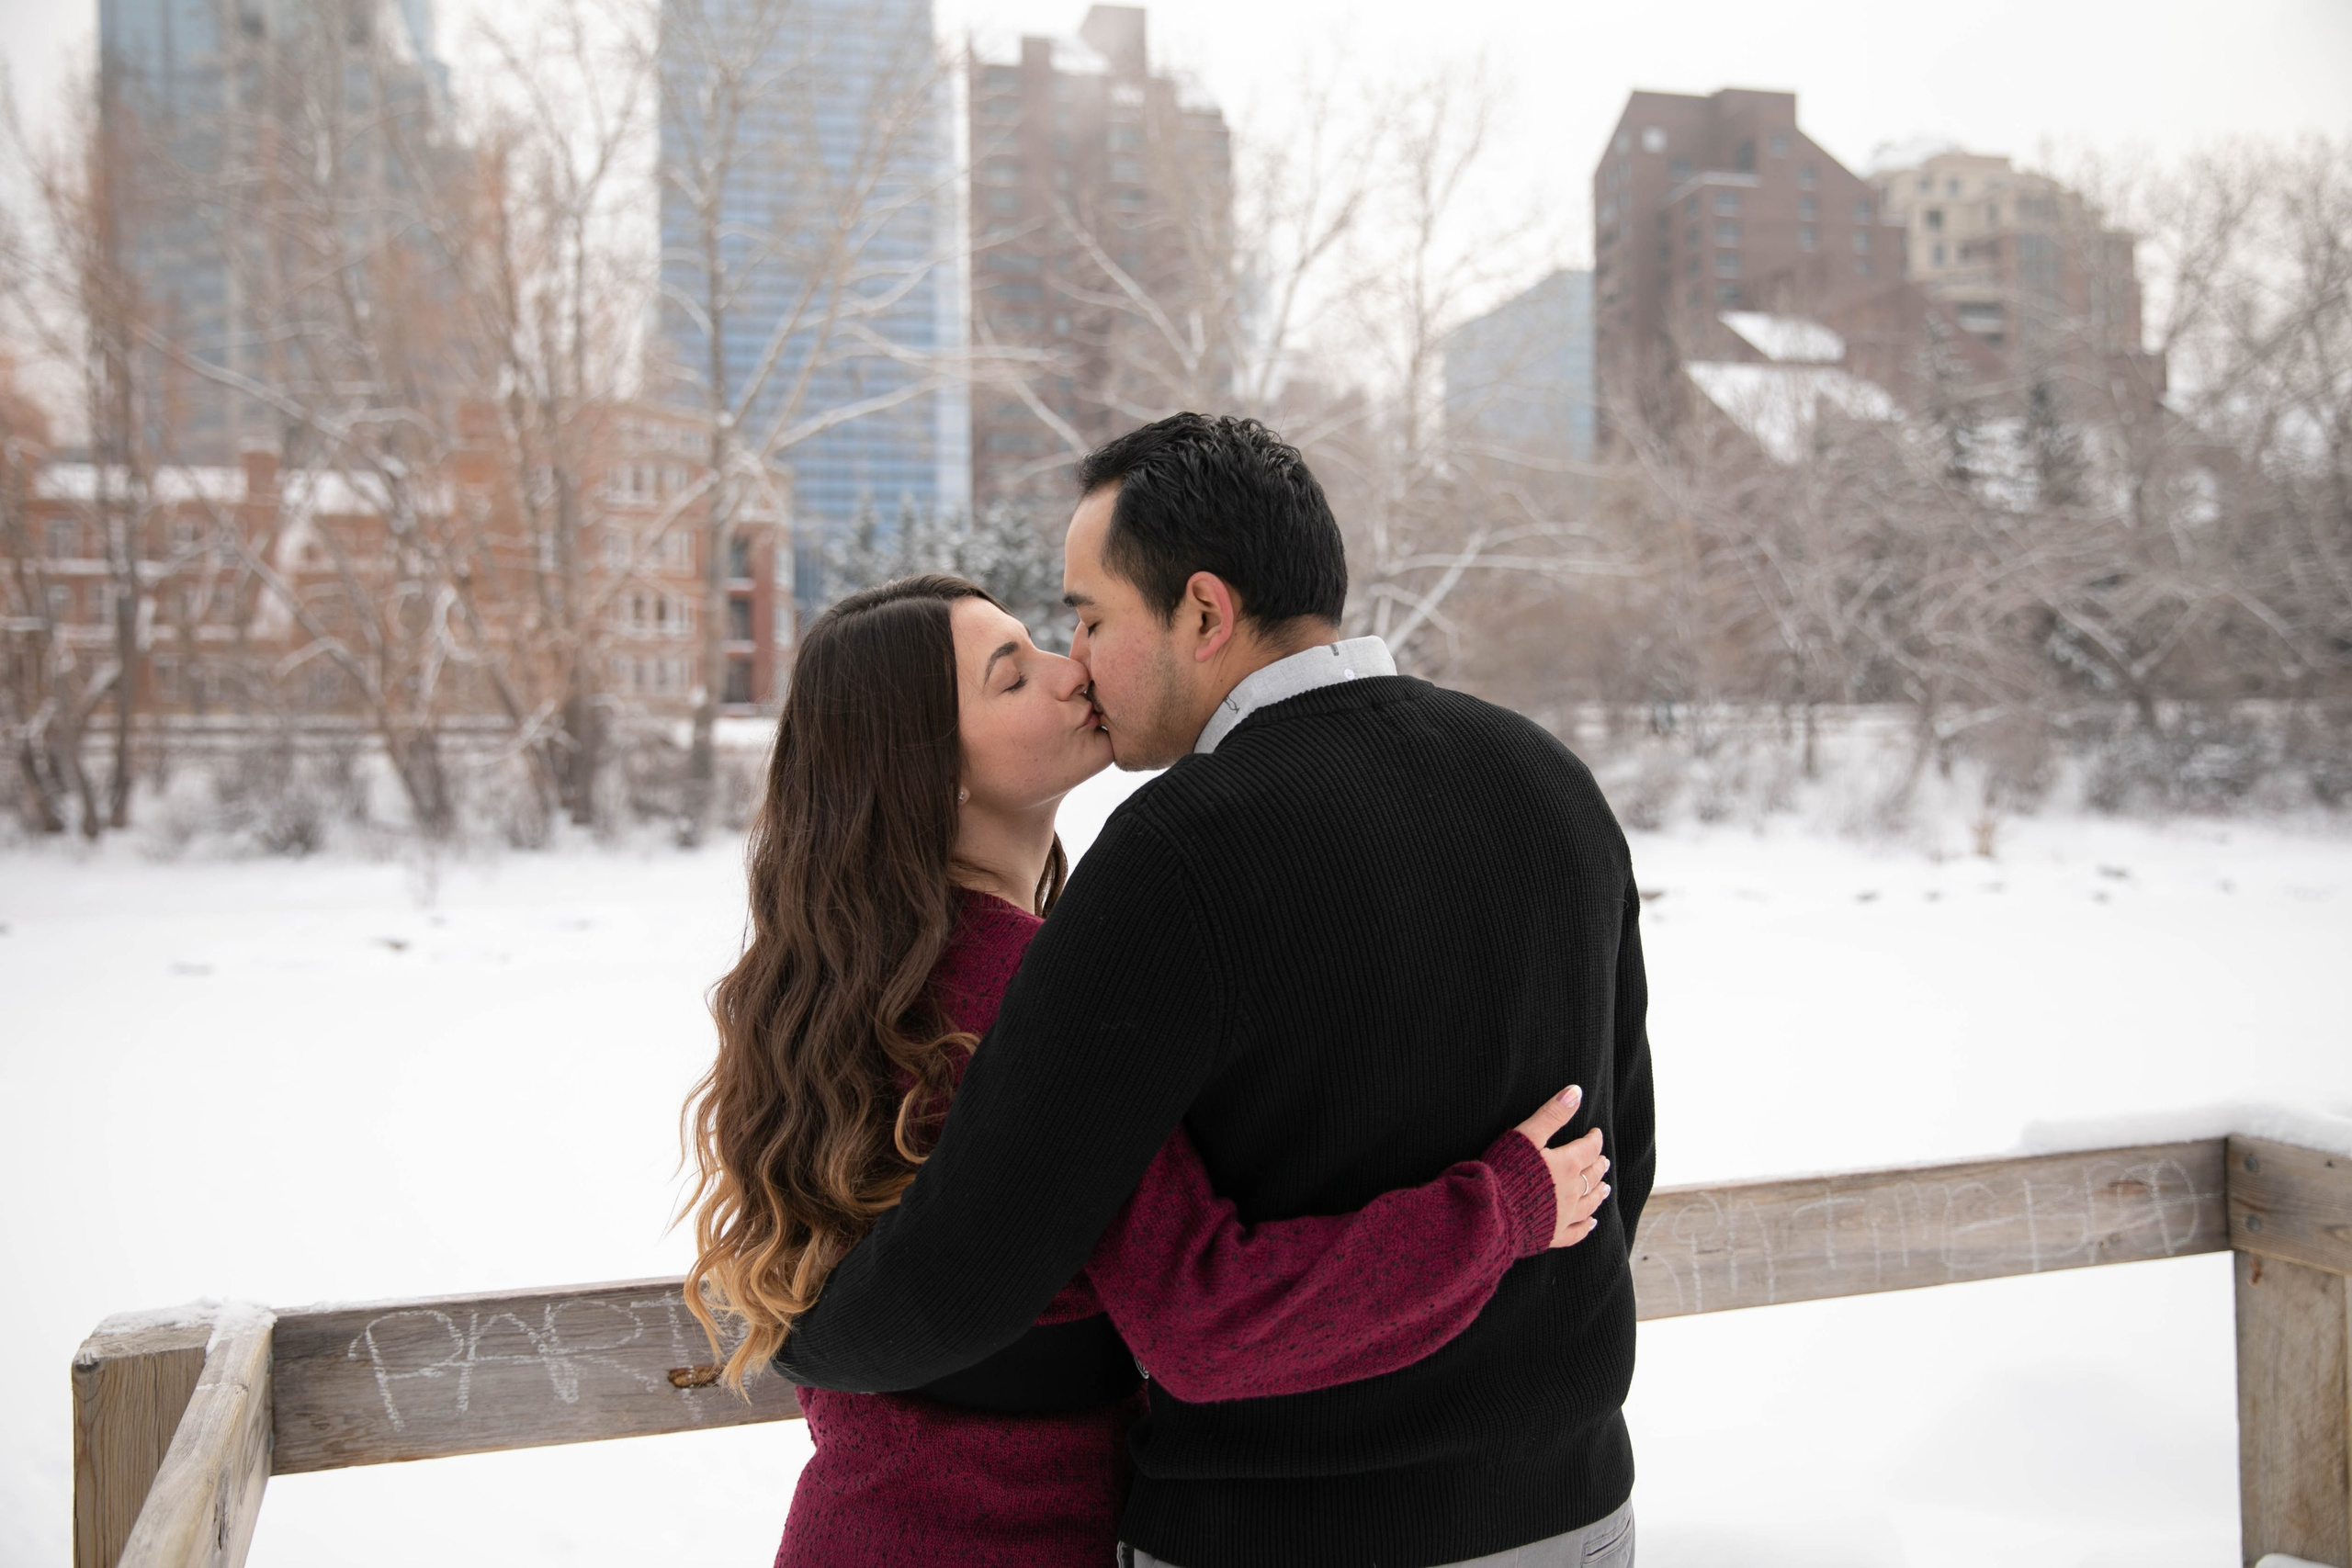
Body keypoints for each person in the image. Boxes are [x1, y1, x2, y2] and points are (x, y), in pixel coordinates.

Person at [775, 413, 1657, 1568]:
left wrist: (810, 1339)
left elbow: (1002, 1263)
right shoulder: (1548, 780)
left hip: (1277, 1526)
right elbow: (1616, 1157)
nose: (1076, 657)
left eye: (1089, 617)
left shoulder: (1177, 850)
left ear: (1201, 611)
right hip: (1572, 1512)